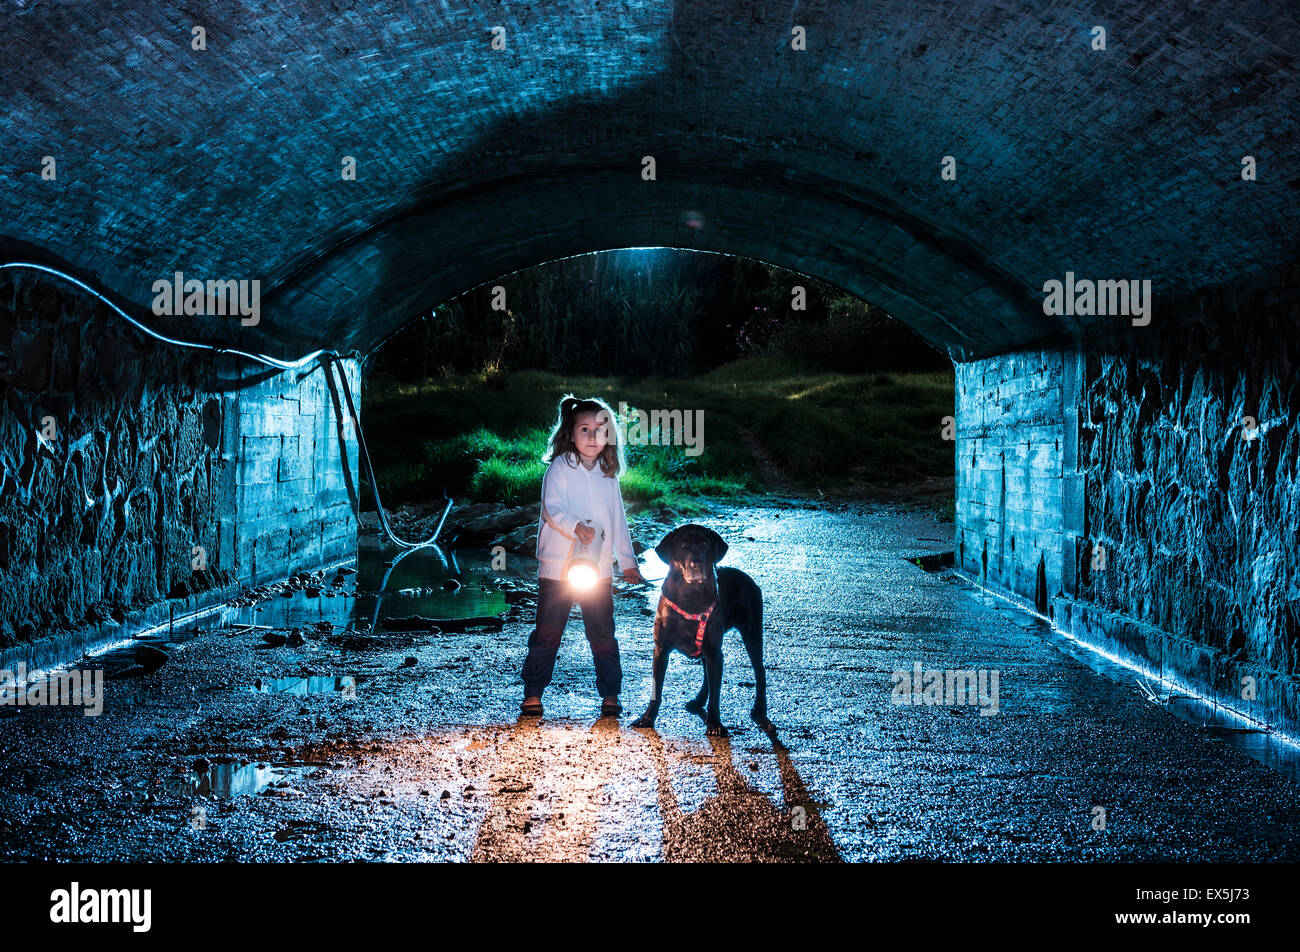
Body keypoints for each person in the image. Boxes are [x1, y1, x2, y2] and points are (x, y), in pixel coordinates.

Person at [520, 394, 645, 718]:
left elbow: (618, 520)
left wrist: (628, 563)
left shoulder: (608, 475)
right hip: (558, 568)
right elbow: (552, 509)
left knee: (602, 632)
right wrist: (575, 526)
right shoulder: (560, 469)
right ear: (570, 433)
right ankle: (533, 692)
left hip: (599, 569)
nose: (592, 437)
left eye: (600, 430)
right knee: (547, 632)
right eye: (585, 430)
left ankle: (610, 695)